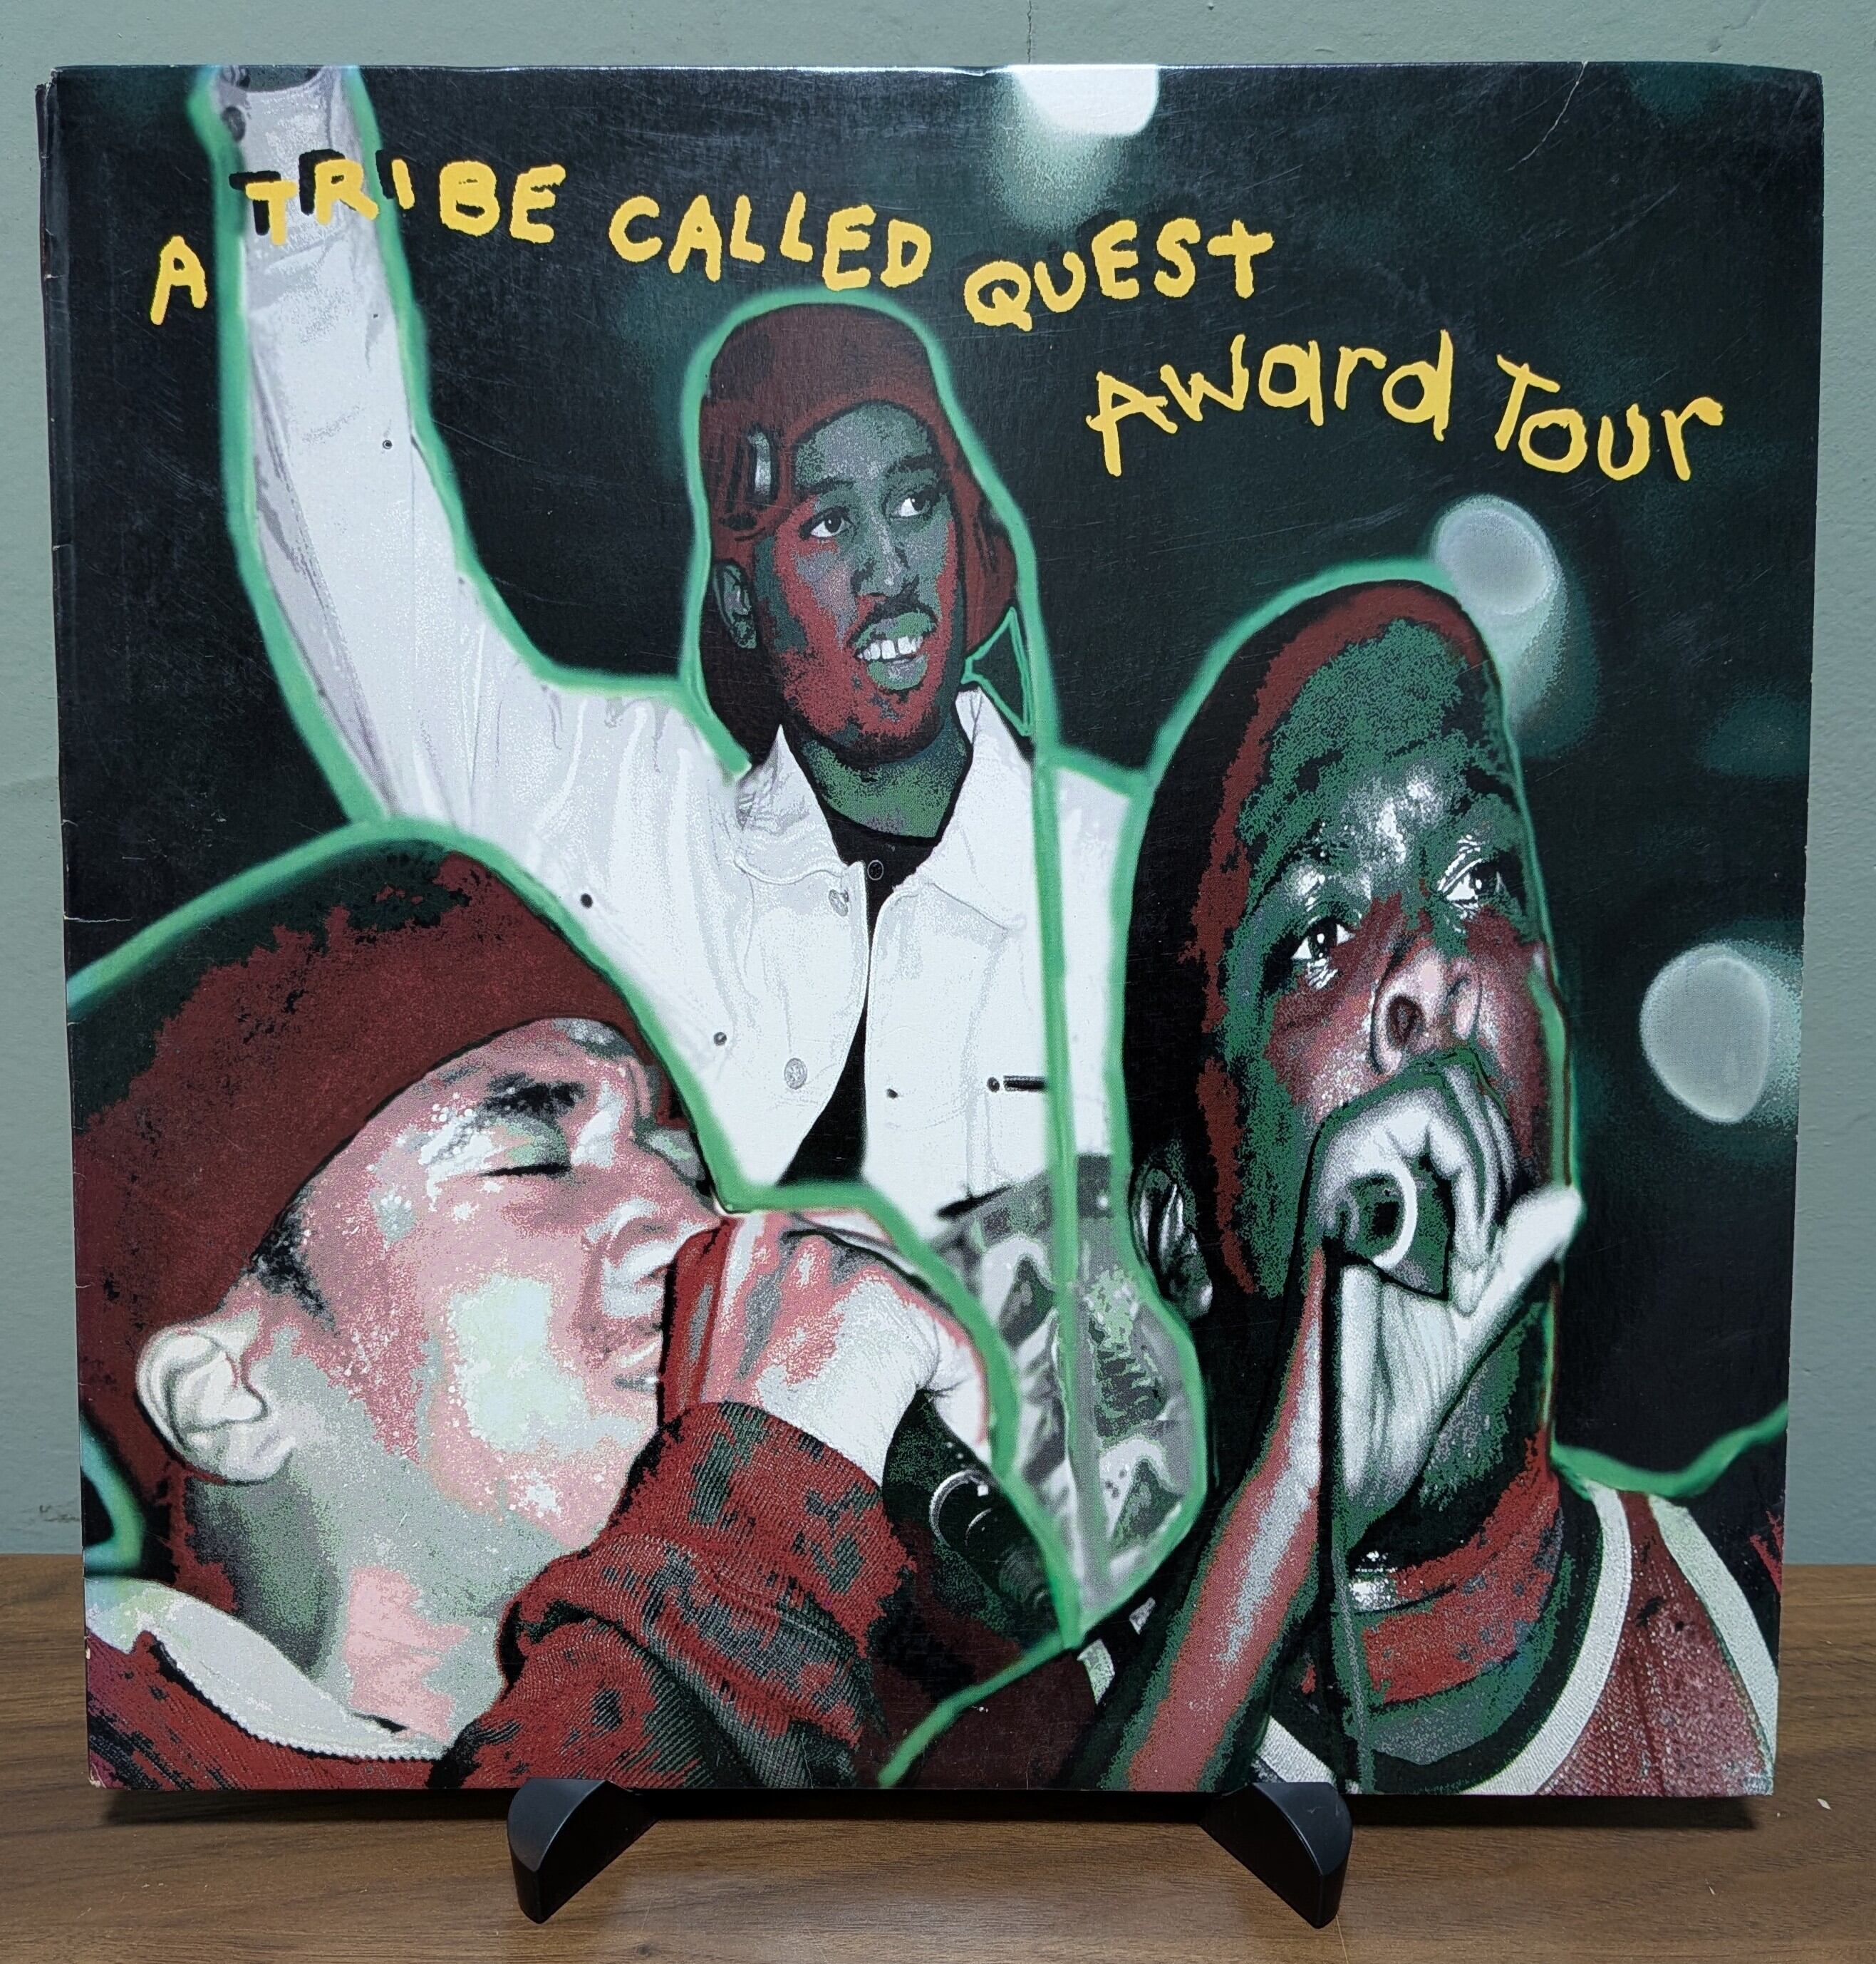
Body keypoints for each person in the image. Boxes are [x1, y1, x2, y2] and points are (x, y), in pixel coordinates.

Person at [209, 67, 1122, 1234]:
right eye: (825, 524)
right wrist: (289, 116)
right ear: (740, 603)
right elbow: (362, 560)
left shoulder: (1114, 875)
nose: (889, 567)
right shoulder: (625, 829)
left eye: (913, 503)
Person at [76, 844, 1069, 1790]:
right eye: (532, 1160)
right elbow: (540, 1878)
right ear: (227, 1398)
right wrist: (761, 1511)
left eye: (684, 1168)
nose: (692, 1225)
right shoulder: (95, 1761)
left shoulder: (912, 1721)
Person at [1067, 579, 1778, 1795]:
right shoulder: (1023, 1749)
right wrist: (1291, 1512)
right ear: (1176, 1226)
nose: (1434, 968)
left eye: (1483, 879)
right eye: (1315, 938)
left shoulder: (1764, 1595)